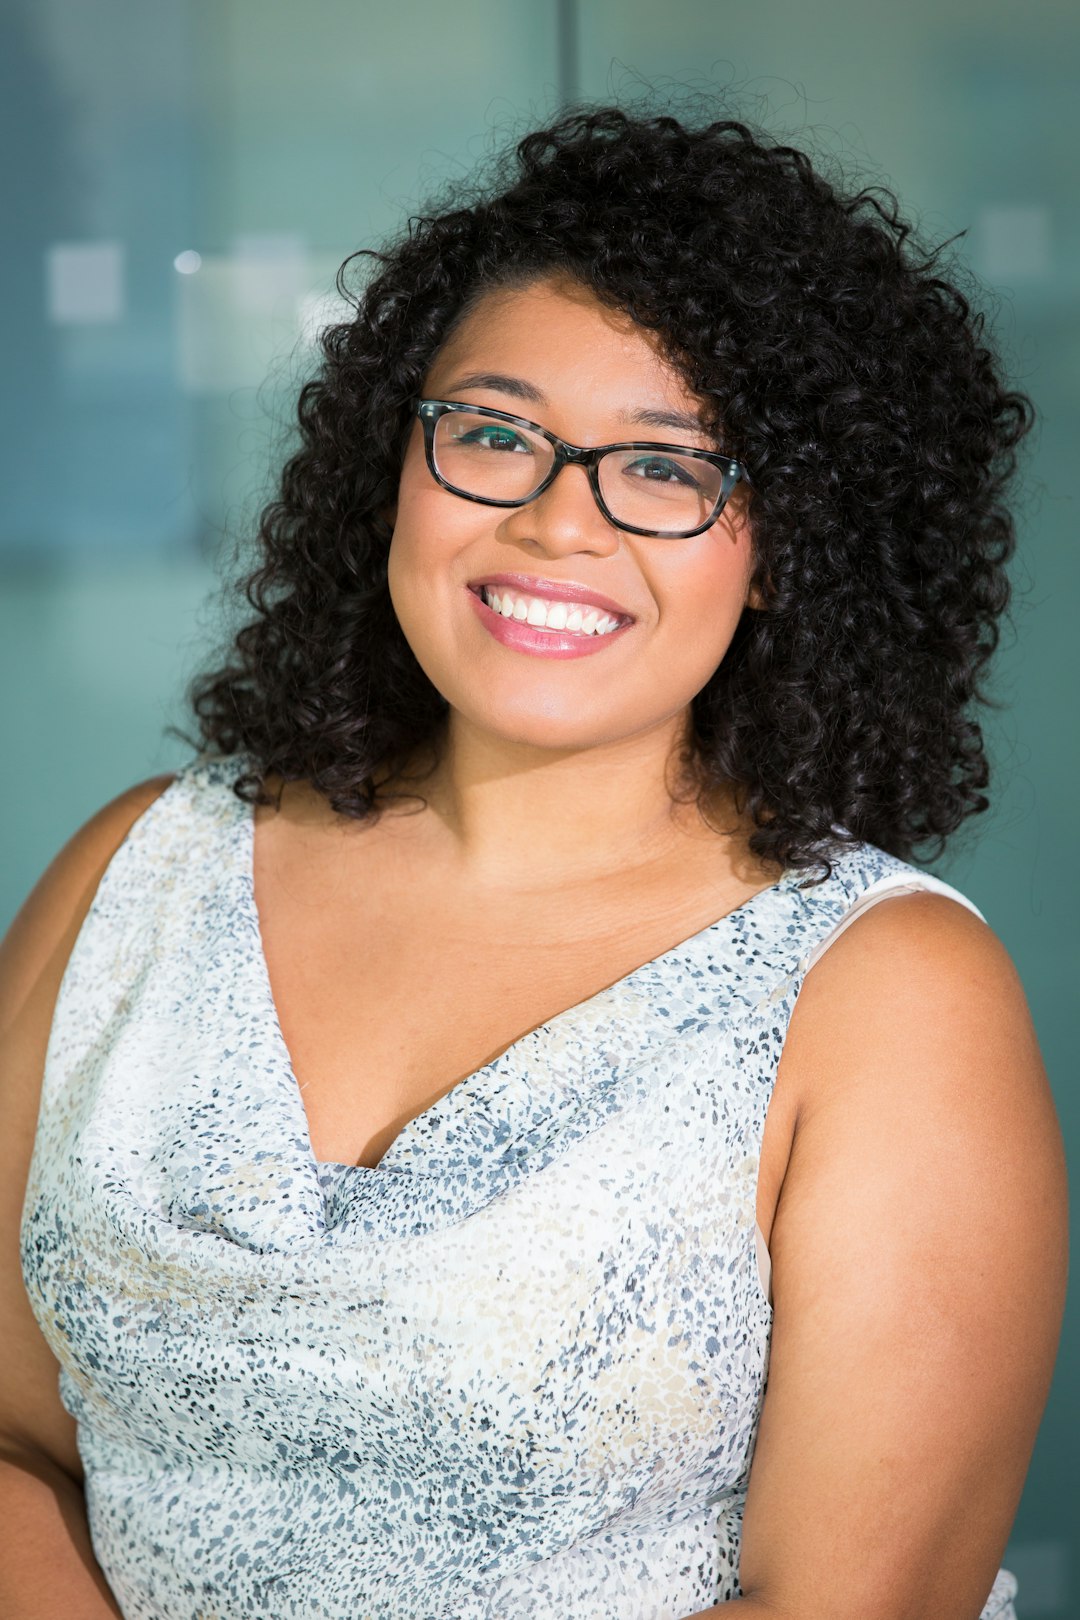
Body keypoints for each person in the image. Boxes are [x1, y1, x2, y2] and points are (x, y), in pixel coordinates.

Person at [1, 104, 1068, 1620]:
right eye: (496, 434)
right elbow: (10, 1444)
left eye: (666, 468)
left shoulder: (888, 994)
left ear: (784, 549)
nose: (559, 521)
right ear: (397, 466)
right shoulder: (138, 873)